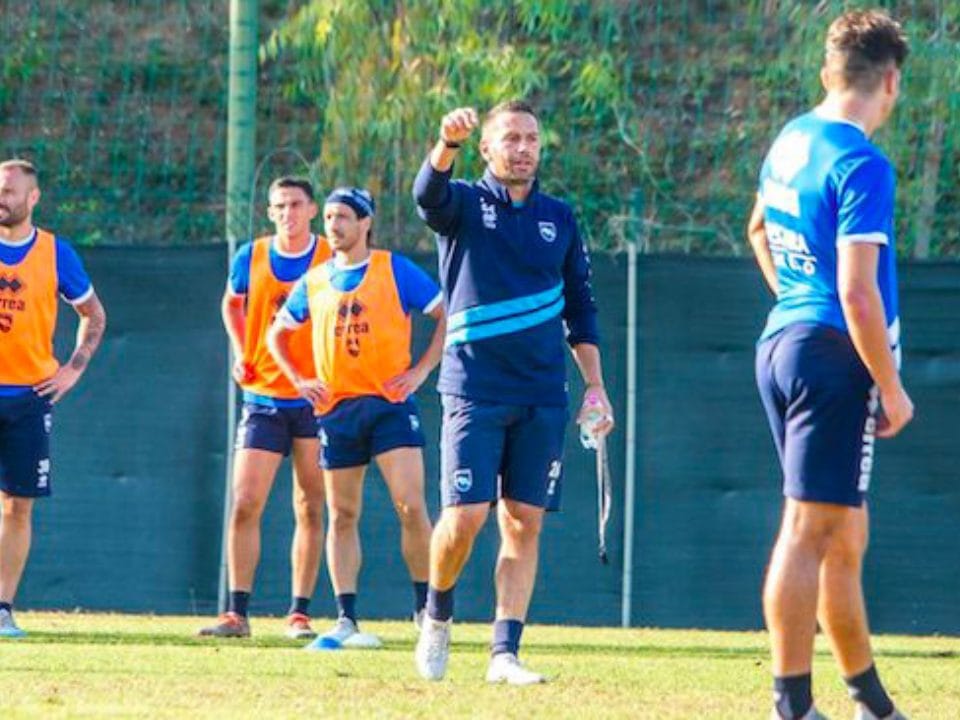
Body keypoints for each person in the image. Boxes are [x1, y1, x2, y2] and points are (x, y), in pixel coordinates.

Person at [411, 101, 614, 684]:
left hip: (543, 393)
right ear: (487, 149)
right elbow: (427, 196)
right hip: (474, 389)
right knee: (465, 517)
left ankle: (504, 653)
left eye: (531, 139)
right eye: (510, 139)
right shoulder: (464, 204)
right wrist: (445, 143)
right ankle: (437, 615)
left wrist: (595, 386)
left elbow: (581, 308)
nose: (523, 148)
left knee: (524, 520)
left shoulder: (560, 218)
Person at [747, 11, 912, 720]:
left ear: (827, 72)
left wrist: (795, 302)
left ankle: (870, 701)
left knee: (844, 536)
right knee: (807, 530)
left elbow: (758, 228)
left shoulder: (792, 139)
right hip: (830, 357)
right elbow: (855, 292)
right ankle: (791, 704)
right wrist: (892, 387)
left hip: (785, 345)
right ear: (891, 82)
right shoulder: (861, 162)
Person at [268, 187, 442, 649]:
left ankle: (427, 609)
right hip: (337, 411)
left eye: (343, 216)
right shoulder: (315, 281)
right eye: (328, 217)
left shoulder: (393, 269)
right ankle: (346, 618)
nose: (333, 225)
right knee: (342, 514)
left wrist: (421, 370)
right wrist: (300, 380)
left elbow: (446, 313)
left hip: (388, 406)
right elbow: (276, 335)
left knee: (411, 505)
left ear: (366, 222)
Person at [198, 177, 330, 639]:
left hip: (316, 400)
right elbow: (232, 303)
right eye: (279, 206)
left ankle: (299, 613)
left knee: (310, 504)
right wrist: (242, 350)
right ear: (269, 212)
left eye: (295, 204)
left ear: (312, 209)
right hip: (264, 398)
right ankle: (237, 613)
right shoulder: (251, 256)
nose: (287, 213)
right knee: (245, 502)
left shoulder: (329, 256)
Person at [0, 159, 106, 638]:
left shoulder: (55, 253)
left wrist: (72, 370)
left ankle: (3, 608)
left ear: (33, 197)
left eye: (9, 191)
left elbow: (93, 315)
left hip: (27, 397)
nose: (1, 198)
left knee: (17, 506)